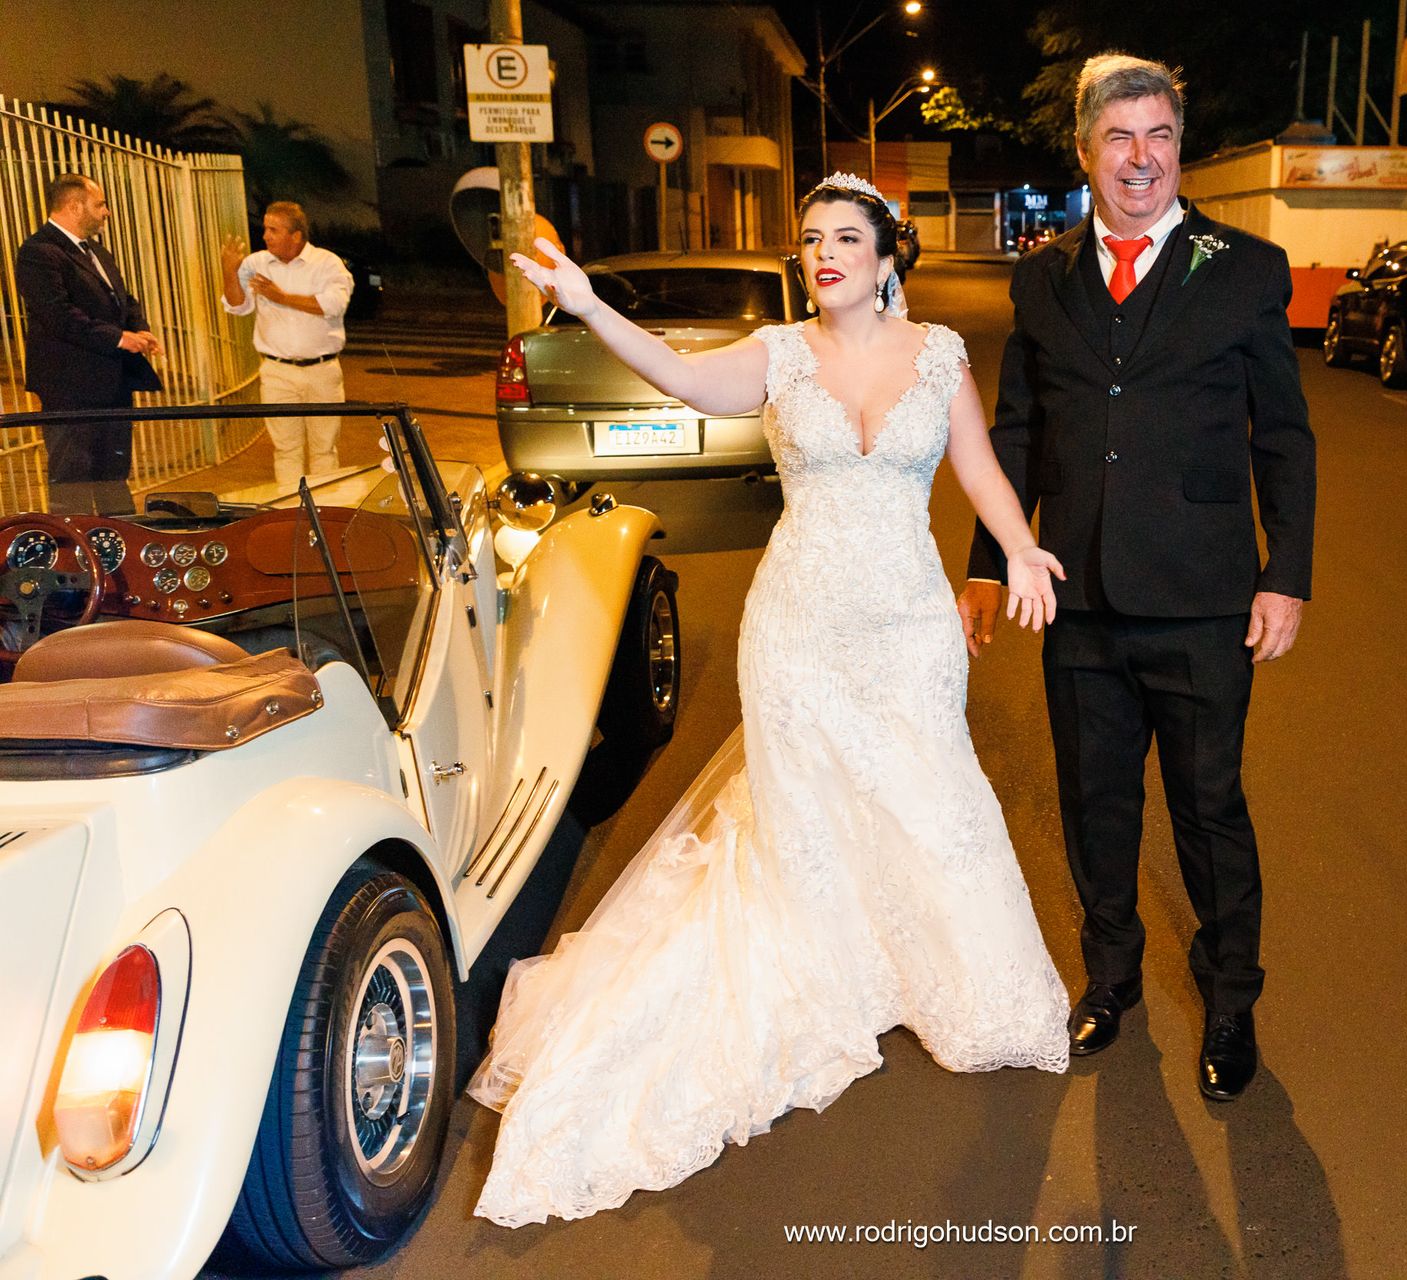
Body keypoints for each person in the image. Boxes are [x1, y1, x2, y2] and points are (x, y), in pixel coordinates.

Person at [468, 173, 1071, 1227]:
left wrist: (1020, 548)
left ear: (890, 254)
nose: (823, 251)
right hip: (798, 621)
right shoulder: (779, 354)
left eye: (847, 236)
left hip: (910, 622)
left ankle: (945, 974)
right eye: (810, 238)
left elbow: (977, 466)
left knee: (934, 795)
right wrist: (588, 300)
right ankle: (828, 966)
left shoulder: (941, 357)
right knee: (801, 811)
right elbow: (678, 376)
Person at [957, 54, 1317, 1103]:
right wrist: (990, 563)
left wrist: (1283, 571)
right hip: (1076, 598)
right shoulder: (1045, 276)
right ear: (1085, 153)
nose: (1141, 157)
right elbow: (1017, 431)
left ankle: (1232, 997)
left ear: (1177, 148)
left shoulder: (1245, 268)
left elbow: (1283, 436)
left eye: (1158, 136)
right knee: (1096, 803)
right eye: (1120, 138)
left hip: (1206, 600)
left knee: (1210, 808)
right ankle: (1110, 978)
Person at [15, 173, 162, 513]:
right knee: (73, 480)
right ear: (74, 206)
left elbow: (123, 298)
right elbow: (59, 316)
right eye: (101, 204)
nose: (107, 212)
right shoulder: (38, 252)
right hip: (70, 387)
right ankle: (74, 553)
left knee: (113, 474)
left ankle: (120, 545)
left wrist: (139, 328)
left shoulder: (95, 250)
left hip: (111, 383)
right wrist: (118, 338)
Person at [219, 201, 353, 490]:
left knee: (324, 448)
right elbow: (237, 305)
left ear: (296, 235)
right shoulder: (257, 264)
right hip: (277, 371)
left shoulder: (326, 263)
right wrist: (229, 271)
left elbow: (334, 304)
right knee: (286, 449)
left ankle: (325, 510)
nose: (265, 236)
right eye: (266, 229)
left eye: (273, 230)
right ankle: (292, 512)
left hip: (322, 370)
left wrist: (282, 297)